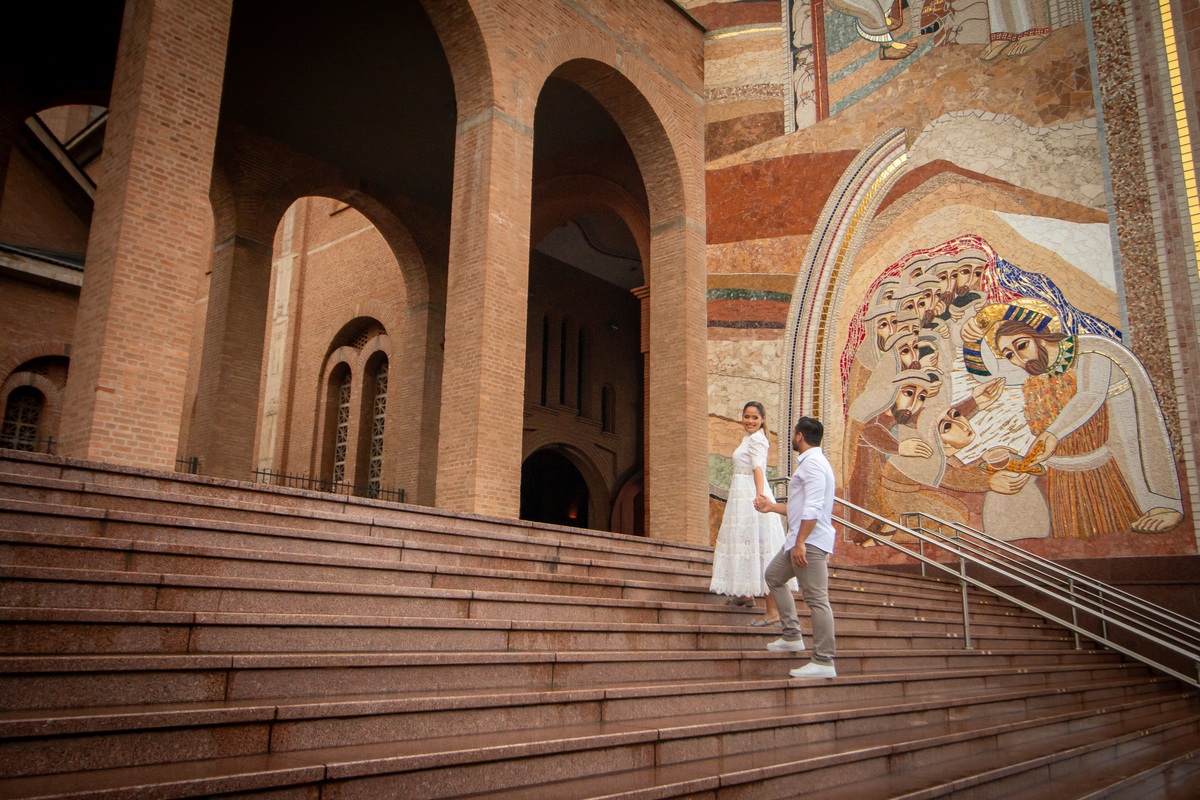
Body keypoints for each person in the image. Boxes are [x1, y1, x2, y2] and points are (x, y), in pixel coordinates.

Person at [754, 417, 839, 679]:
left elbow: (813, 508)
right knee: (773, 576)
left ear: (799, 436)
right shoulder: (812, 463)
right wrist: (772, 507)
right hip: (797, 540)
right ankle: (792, 635)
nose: (793, 437)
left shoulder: (813, 464)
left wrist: (801, 541)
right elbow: (799, 507)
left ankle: (823, 660)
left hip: (808, 542)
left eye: (793, 434)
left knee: (817, 600)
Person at [709, 401, 795, 625]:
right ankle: (745, 594)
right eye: (746, 416)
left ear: (763, 419)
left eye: (755, 417)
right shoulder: (748, 438)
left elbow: (758, 468)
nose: (750, 421)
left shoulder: (757, 439)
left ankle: (772, 609)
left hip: (750, 495)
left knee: (760, 546)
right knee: (745, 542)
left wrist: (760, 496)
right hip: (741, 496)